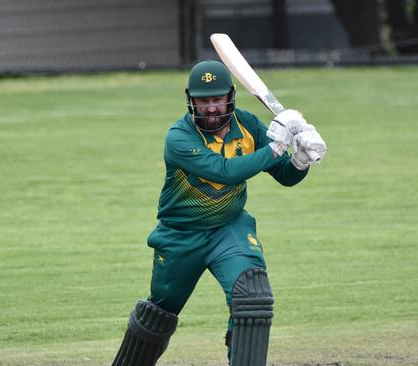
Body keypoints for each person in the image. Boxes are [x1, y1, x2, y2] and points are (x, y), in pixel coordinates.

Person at [112, 60, 326, 366]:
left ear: (231, 95)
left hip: (230, 228)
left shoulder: (248, 125)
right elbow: (223, 172)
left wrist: (300, 160)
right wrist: (278, 146)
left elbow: (284, 175)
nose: (211, 108)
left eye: (217, 99)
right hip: (180, 236)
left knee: (252, 296)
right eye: (203, 100)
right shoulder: (178, 138)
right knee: (159, 312)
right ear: (191, 100)